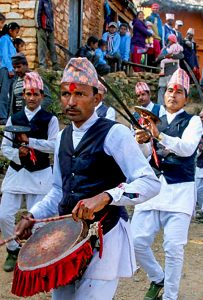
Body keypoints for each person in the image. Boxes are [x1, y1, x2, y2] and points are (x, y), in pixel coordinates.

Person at [15, 57, 161, 300]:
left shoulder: (115, 134)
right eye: (64, 94)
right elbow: (58, 191)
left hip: (105, 236)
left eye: (80, 94)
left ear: (97, 98)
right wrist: (34, 216)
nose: (71, 102)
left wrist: (106, 197)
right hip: (66, 239)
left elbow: (150, 183)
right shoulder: (62, 137)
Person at [131, 68, 202, 300]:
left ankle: (170, 296)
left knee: (173, 248)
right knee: (136, 241)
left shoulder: (193, 122)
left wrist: (159, 136)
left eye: (179, 91)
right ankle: (157, 277)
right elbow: (143, 155)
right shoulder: (151, 118)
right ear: (164, 94)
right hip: (152, 189)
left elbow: (187, 149)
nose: (173, 94)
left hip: (180, 191)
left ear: (186, 98)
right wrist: (141, 140)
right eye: (170, 90)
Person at [0, 71, 59, 272]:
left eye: (35, 94)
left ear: (42, 95)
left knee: (39, 220)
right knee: (3, 215)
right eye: (28, 94)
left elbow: (53, 146)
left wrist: (31, 142)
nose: (32, 98)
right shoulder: (13, 118)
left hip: (41, 174)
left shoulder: (50, 119)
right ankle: (13, 248)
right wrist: (20, 153)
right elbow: (5, 148)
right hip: (17, 173)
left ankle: (36, 254)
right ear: (23, 95)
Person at [0, 22, 20, 125]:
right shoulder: (4, 39)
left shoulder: (10, 41)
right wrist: (9, 69)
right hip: (6, 69)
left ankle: (8, 116)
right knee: (4, 94)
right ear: (11, 30)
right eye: (16, 32)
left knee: (12, 94)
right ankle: (2, 116)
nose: (16, 34)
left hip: (12, 70)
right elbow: (4, 56)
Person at [35, 0, 61, 71]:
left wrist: (52, 28)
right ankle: (42, 65)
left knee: (52, 47)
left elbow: (51, 16)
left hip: (50, 28)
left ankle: (55, 64)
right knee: (42, 47)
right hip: (42, 28)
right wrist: (39, 26)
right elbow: (38, 13)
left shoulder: (49, 2)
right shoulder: (41, 1)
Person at [195, 109, 203, 219]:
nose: (201, 119)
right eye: (200, 117)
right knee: (197, 189)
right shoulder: (196, 130)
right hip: (199, 164)